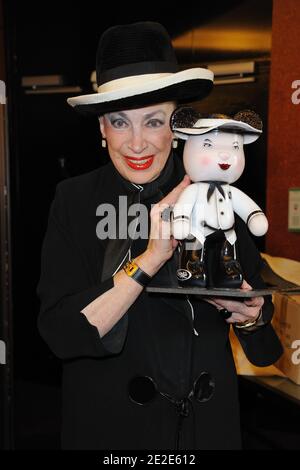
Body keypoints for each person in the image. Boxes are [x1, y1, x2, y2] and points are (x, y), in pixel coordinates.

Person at [37, 21, 282, 450]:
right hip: (111, 430)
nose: (136, 143)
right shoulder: (73, 200)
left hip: (206, 427)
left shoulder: (214, 192)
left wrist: (251, 314)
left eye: (154, 121)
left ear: (178, 129)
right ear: (102, 129)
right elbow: (60, 332)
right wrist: (150, 258)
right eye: (119, 122)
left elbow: (261, 324)